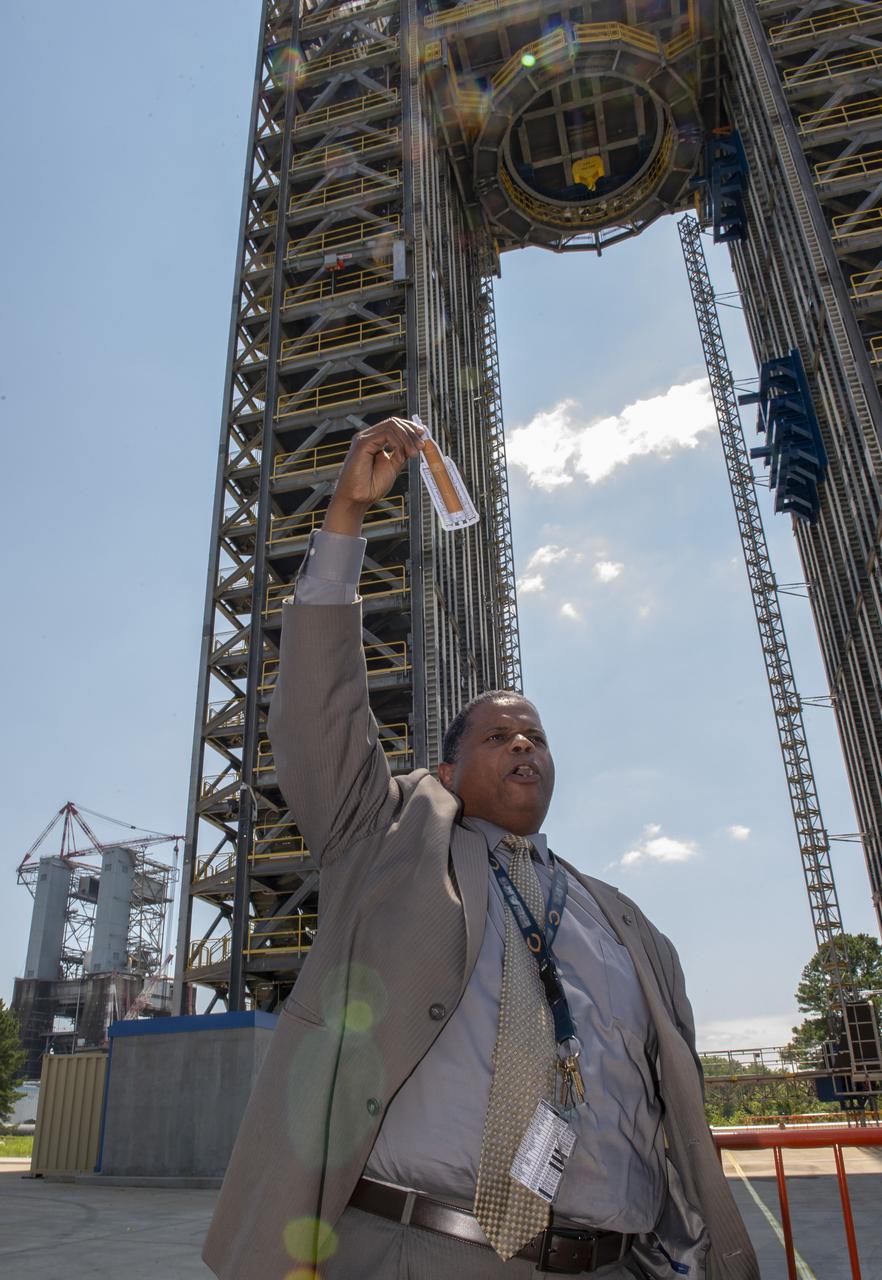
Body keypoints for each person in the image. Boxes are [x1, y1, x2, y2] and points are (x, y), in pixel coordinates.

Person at [201, 419, 759, 1280]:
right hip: (424, 1251)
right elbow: (322, 714)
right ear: (447, 769)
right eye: (498, 736)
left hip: (610, 1262)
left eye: (534, 735)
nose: (524, 746)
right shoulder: (389, 842)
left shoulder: (626, 925)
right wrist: (349, 515)